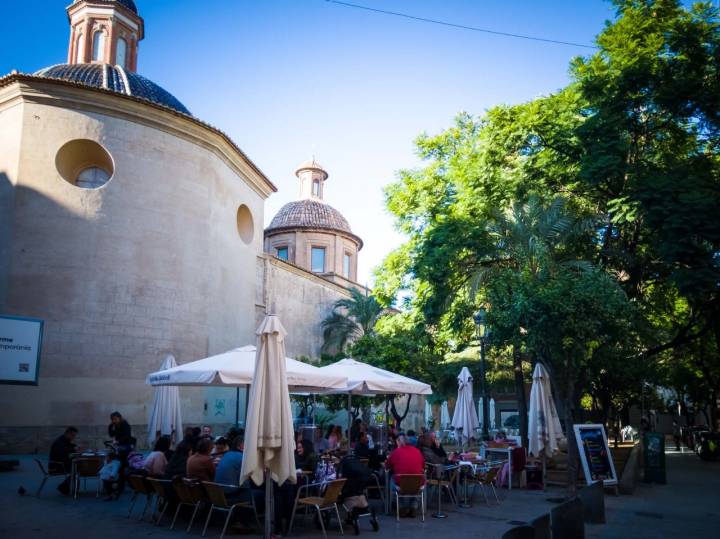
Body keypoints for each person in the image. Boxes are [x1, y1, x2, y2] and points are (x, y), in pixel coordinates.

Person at [385, 434, 425, 518]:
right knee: (418, 480)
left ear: (399, 442)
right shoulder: (417, 451)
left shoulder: (396, 452)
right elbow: (423, 466)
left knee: (392, 478)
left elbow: (387, 466)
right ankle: (414, 506)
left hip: (401, 486)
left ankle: (401, 507)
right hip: (417, 485)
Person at [49, 426, 78, 495]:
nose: (73, 437)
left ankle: (65, 488)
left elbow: (69, 447)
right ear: (67, 434)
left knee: (78, 467)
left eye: (74, 436)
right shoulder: (59, 443)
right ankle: (64, 488)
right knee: (78, 467)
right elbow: (63, 457)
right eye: (72, 435)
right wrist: (75, 451)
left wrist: (75, 447)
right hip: (56, 466)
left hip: (60, 464)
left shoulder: (64, 440)